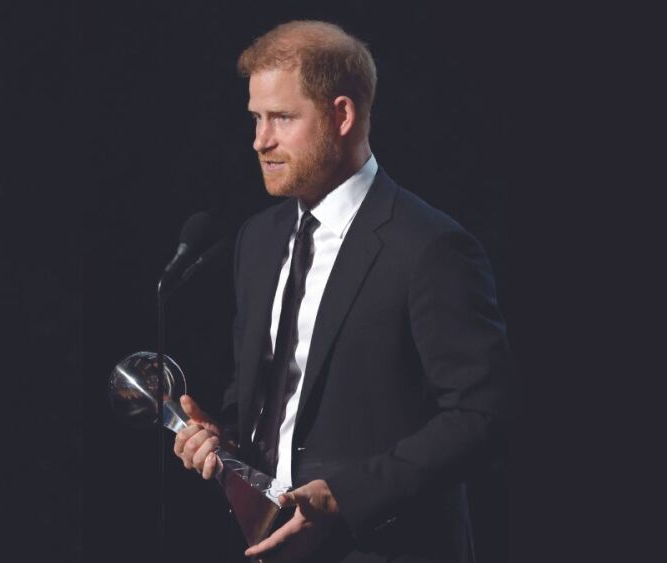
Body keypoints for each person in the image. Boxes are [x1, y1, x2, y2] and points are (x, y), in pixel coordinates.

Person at [173, 20, 509, 563]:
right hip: (268, 544)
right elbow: (259, 400)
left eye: (282, 117)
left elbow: (482, 416)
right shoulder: (257, 240)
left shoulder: (430, 246)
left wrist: (343, 498)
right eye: (256, 118)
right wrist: (222, 437)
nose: (261, 140)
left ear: (342, 115)